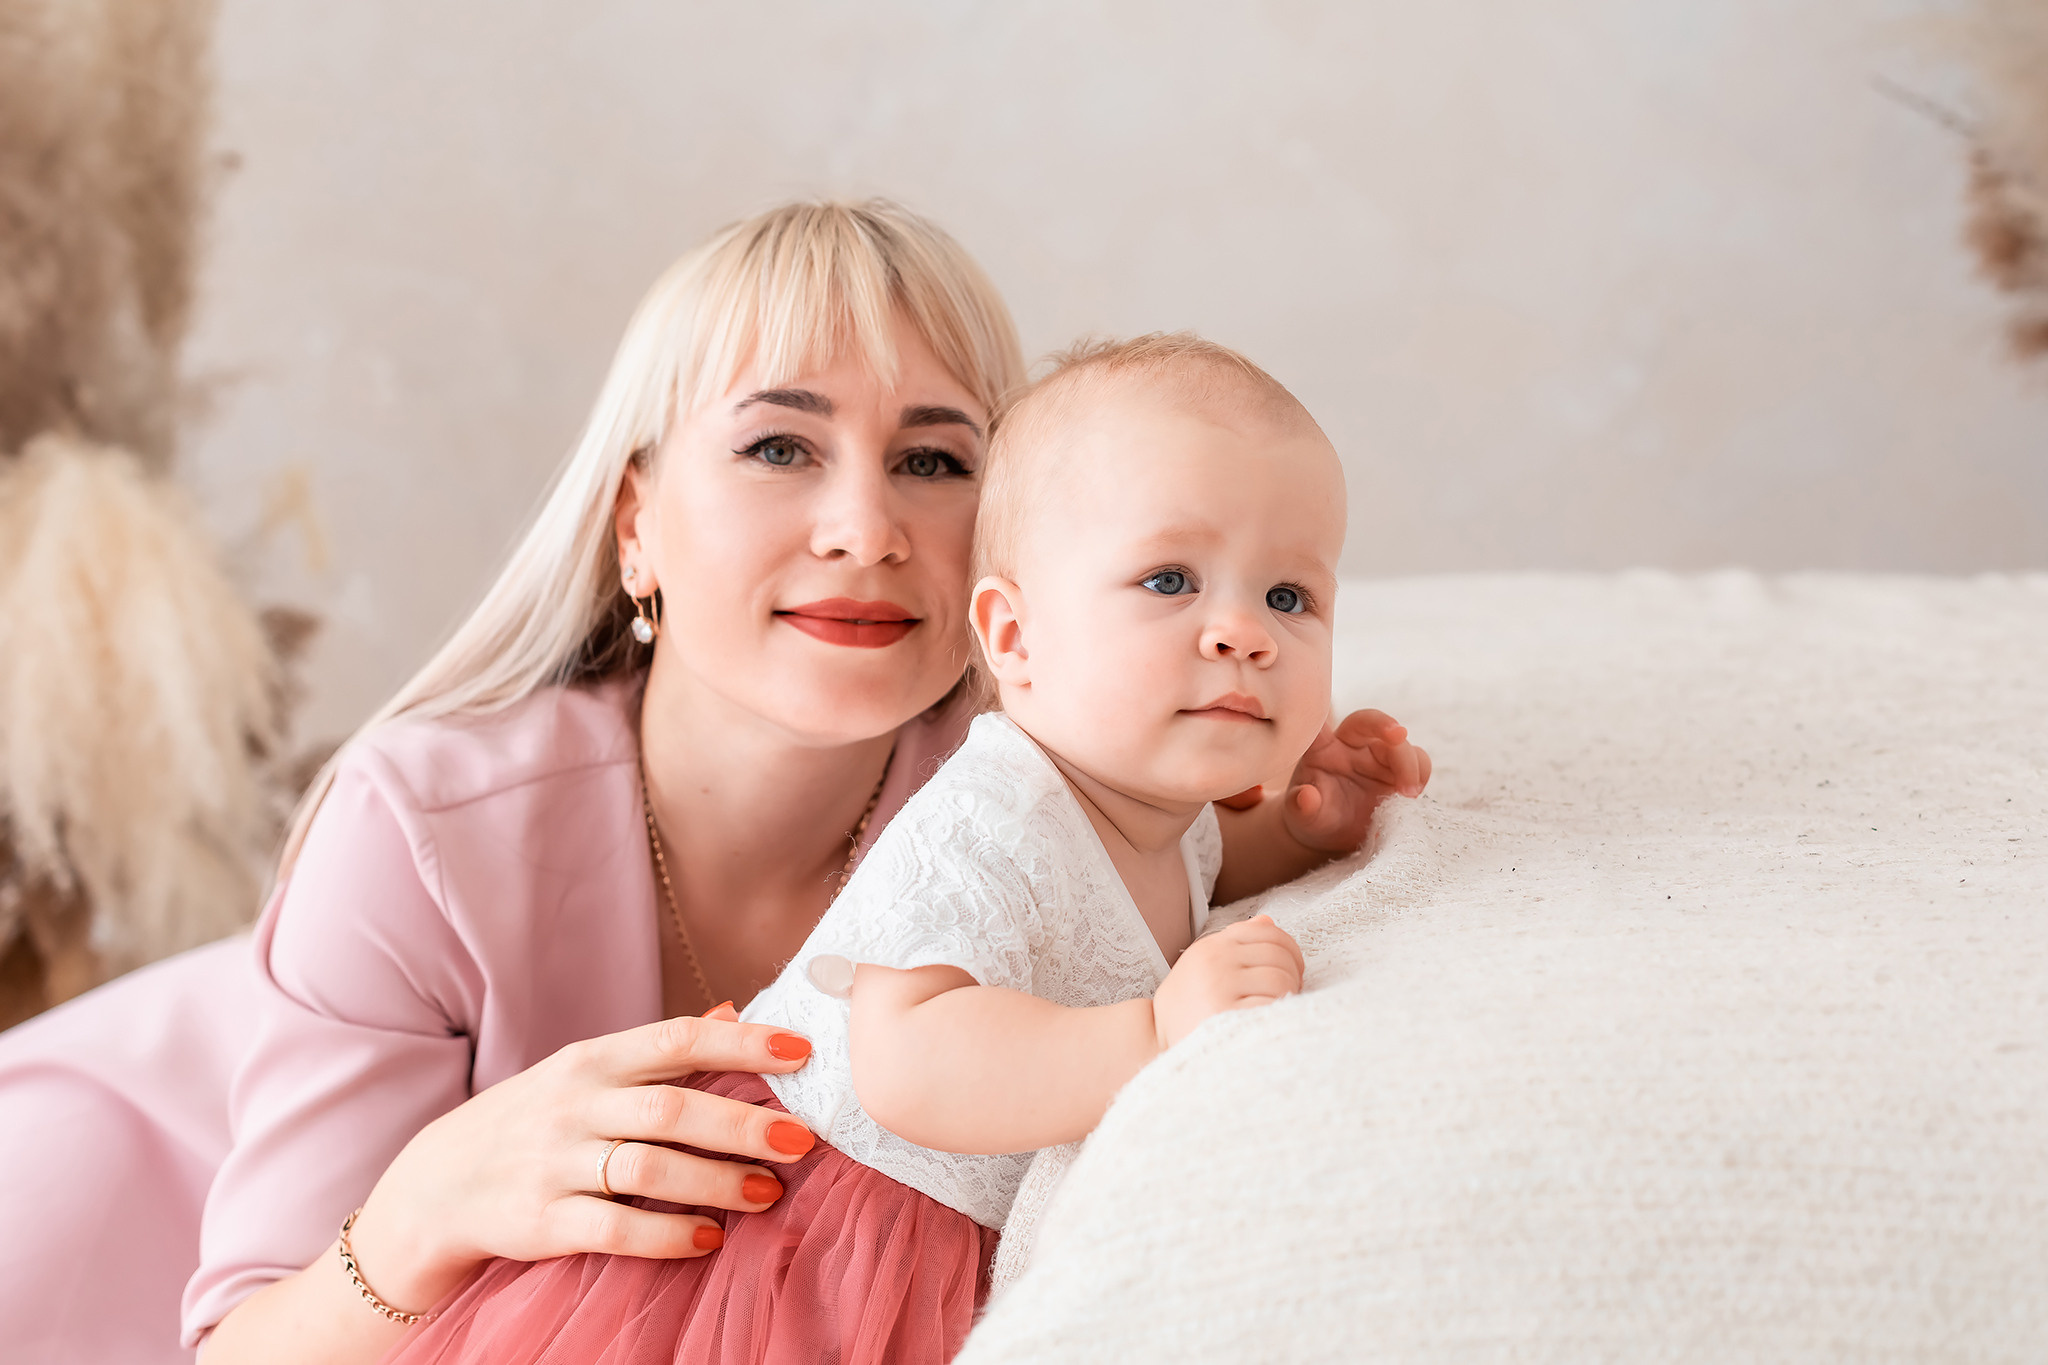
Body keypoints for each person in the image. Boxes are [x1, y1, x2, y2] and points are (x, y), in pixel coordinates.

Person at [0, 202, 1428, 1365]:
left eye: (935, 459)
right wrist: (429, 1205)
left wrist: (1295, 826)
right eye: (778, 446)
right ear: (637, 524)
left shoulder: (1032, 784)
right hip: (132, 1191)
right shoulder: (422, 827)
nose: (866, 526)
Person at [379, 332, 1361, 1364]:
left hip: (893, 1228)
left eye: (1287, 598)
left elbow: (1171, 879)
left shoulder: (1164, 808)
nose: (1242, 633)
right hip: (789, 1226)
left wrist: (1300, 831)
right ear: (1015, 640)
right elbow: (913, 1058)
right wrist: (1155, 1034)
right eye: (1169, 581)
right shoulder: (988, 818)